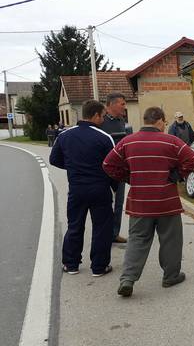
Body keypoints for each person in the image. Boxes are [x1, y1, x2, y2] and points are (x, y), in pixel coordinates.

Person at [103, 106, 194, 297]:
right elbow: (193, 159)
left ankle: (128, 279)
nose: (165, 125)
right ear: (160, 121)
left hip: (140, 202)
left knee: (137, 240)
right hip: (167, 201)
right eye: (164, 122)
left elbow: (108, 164)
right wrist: (177, 174)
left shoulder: (127, 142)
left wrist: (128, 177)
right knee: (170, 240)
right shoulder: (172, 141)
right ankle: (170, 276)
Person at [49, 100, 114, 277]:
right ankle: (99, 267)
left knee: (75, 225)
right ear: (95, 115)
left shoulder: (64, 136)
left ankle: (71, 264)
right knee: (102, 227)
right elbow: (112, 165)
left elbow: (54, 159)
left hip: (77, 188)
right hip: (100, 188)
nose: (103, 119)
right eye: (102, 116)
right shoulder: (104, 137)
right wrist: (113, 186)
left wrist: (72, 167)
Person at [99, 92, 130, 244]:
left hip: (120, 170)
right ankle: (104, 234)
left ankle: (114, 233)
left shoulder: (122, 121)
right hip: (104, 171)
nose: (125, 107)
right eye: (122, 104)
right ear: (111, 104)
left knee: (118, 204)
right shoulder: (100, 121)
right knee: (105, 204)